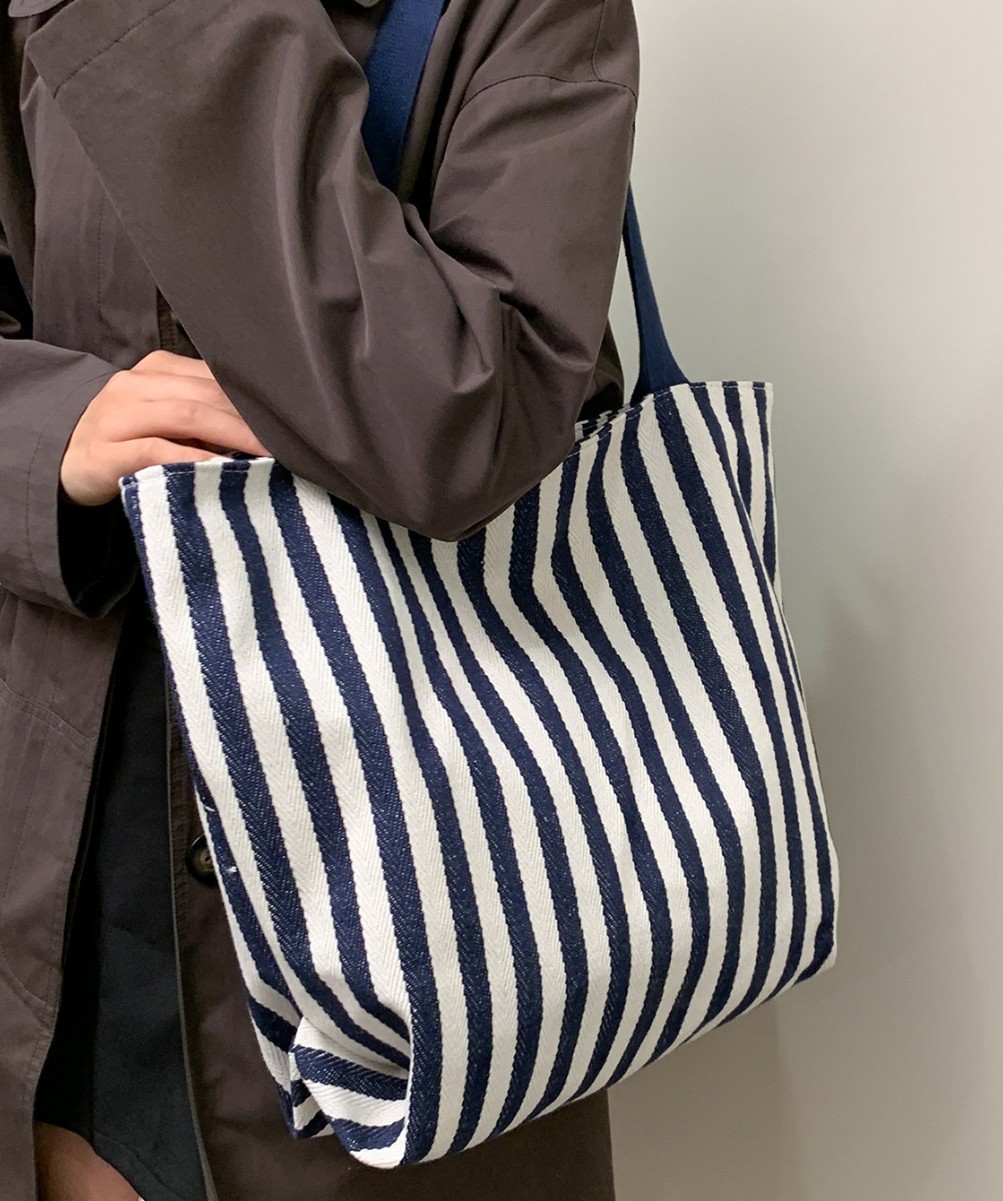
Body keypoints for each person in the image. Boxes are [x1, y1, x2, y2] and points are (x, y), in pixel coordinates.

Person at [0, 0, 639, 1196]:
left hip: (412, 882)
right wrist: (50, 432)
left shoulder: (524, 18)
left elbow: (464, 426)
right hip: (74, 863)